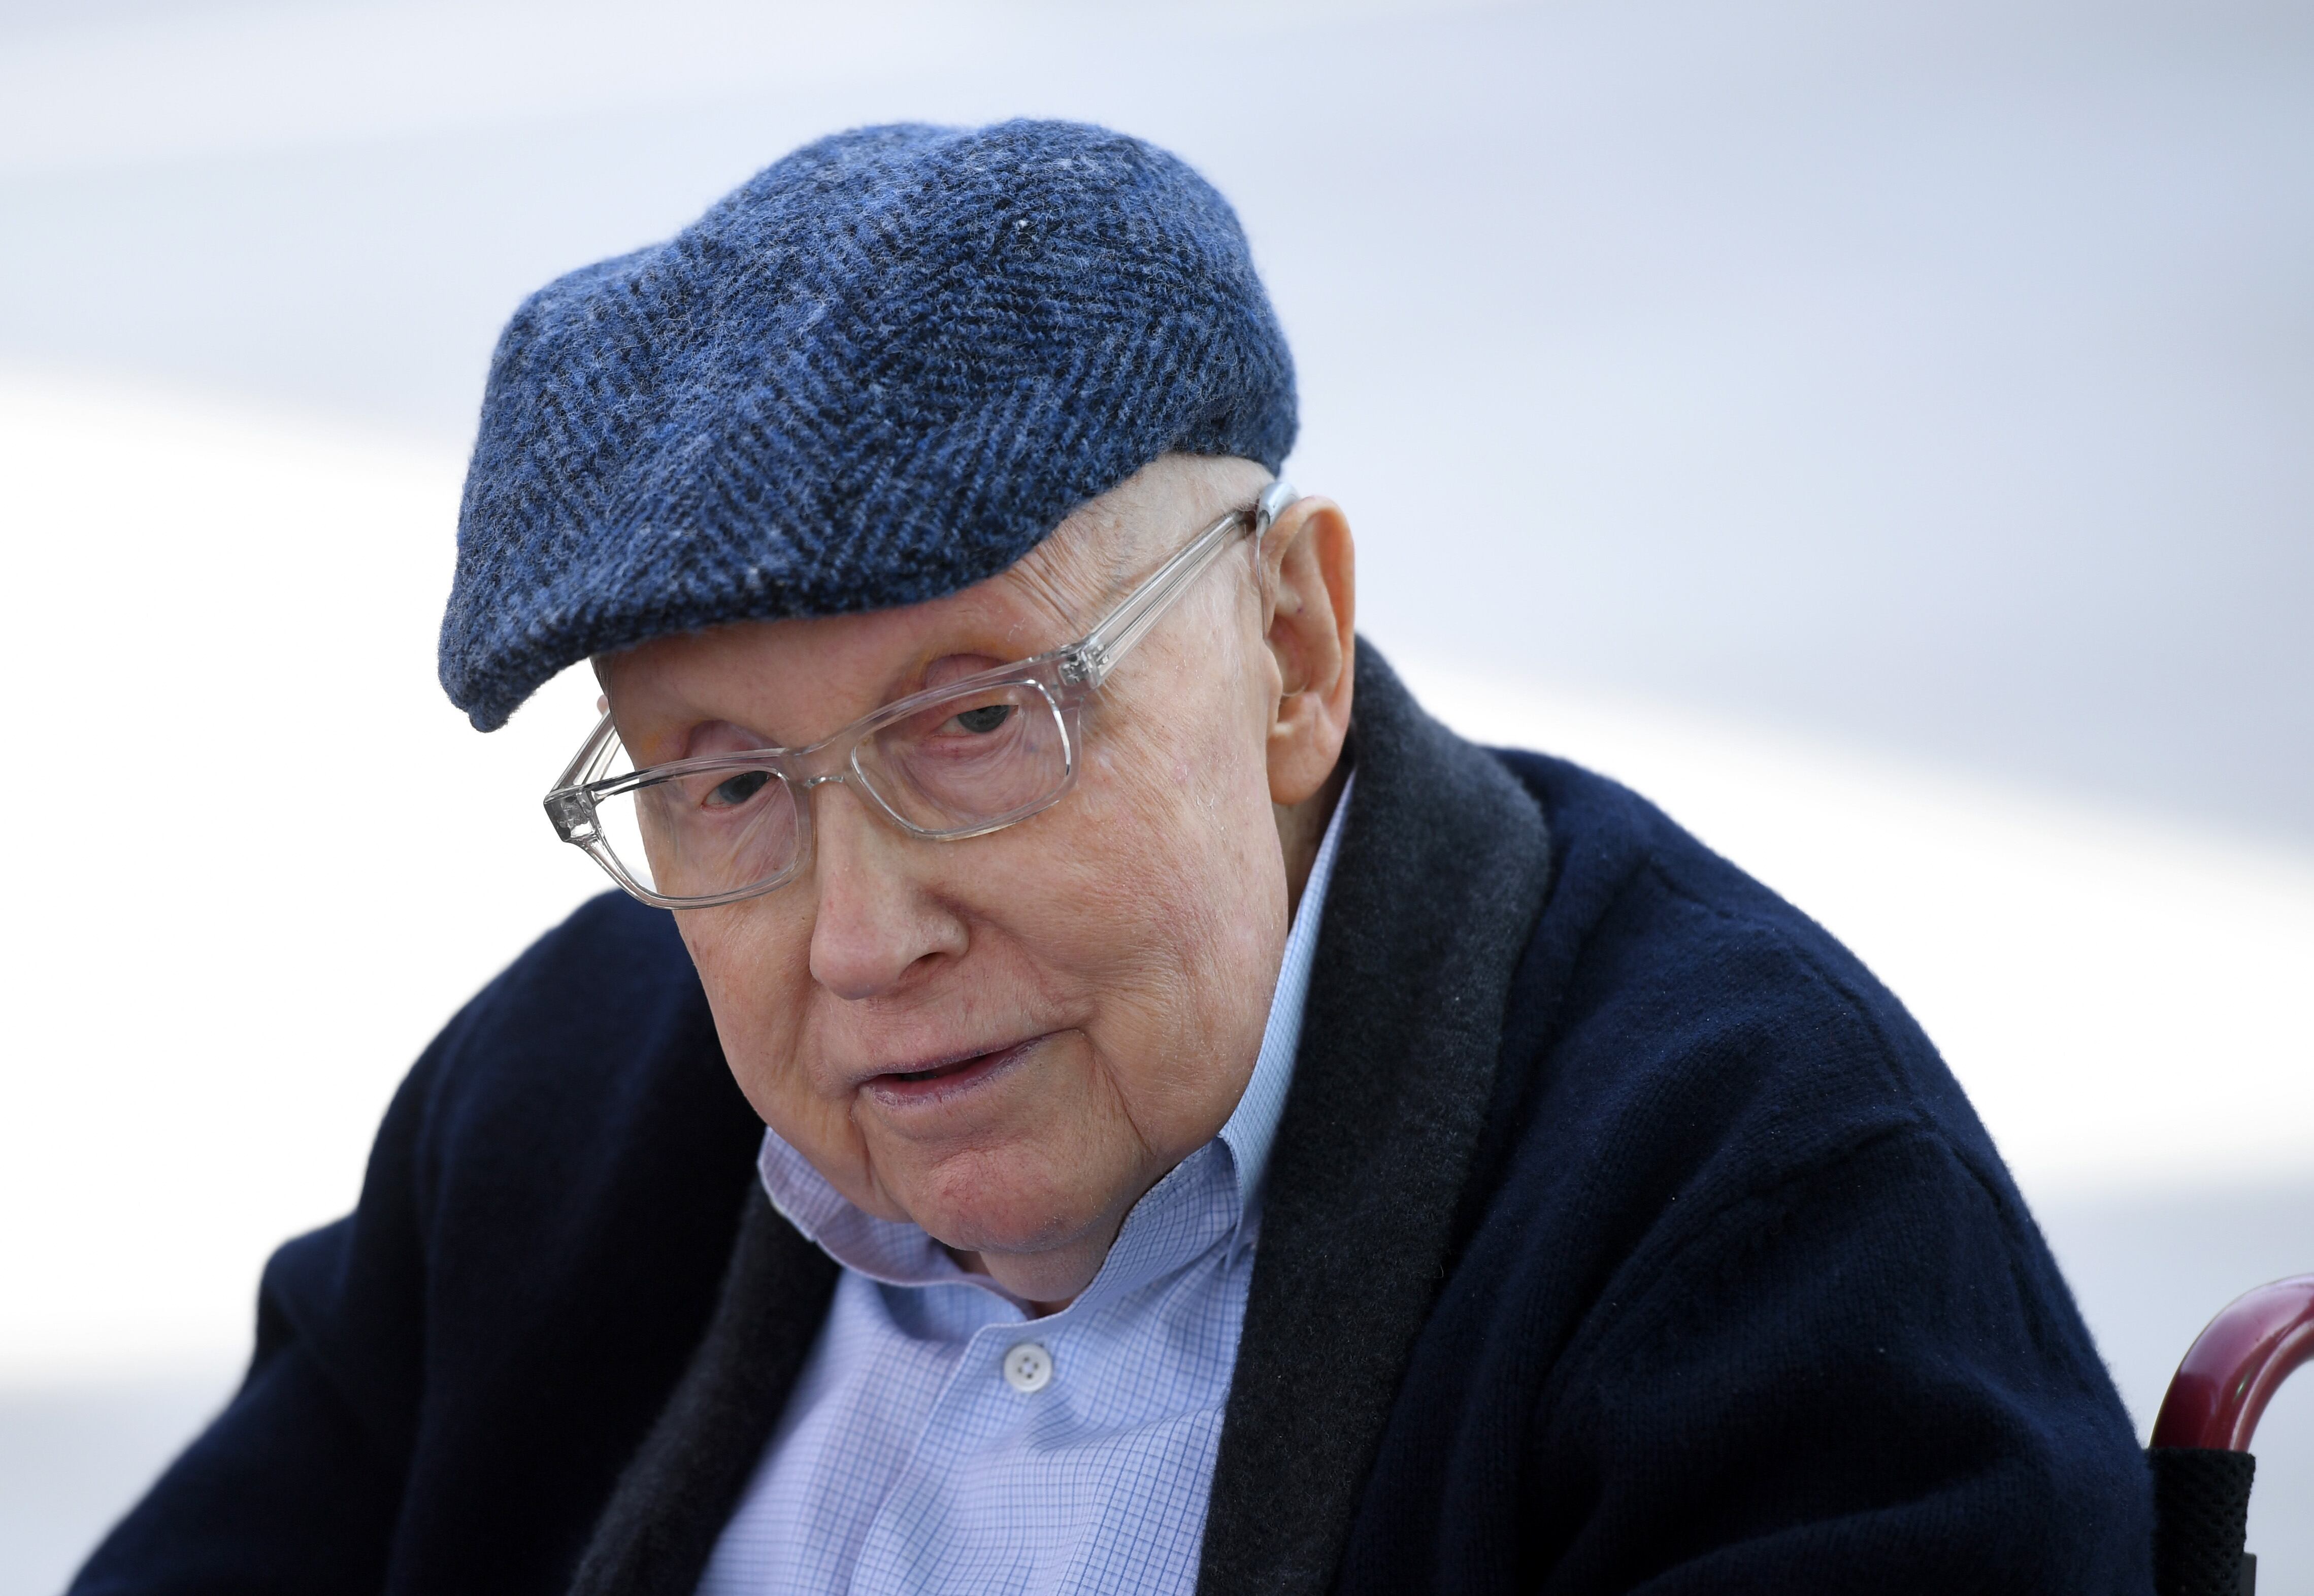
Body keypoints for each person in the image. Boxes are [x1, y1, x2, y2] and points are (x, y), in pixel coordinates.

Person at [72, 120, 2154, 1595]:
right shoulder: (555, 1108)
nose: (864, 936)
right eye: (728, 787)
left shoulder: (1753, 1214)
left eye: (979, 723)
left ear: (1294, 653)